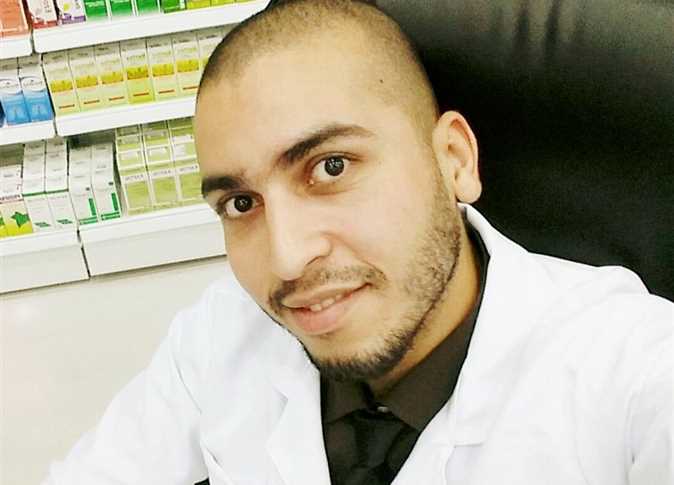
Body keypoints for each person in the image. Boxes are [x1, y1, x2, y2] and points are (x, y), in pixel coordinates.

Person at [42, 1, 673, 484]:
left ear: (454, 159)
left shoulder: (636, 373)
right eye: (241, 204)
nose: (288, 258)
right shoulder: (218, 337)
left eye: (331, 167)